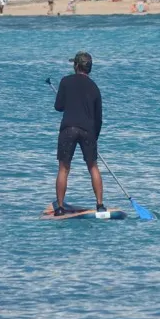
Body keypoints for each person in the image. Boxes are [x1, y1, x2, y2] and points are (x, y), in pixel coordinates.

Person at [53, 52, 104, 216]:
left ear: (76, 66)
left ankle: (60, 207)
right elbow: (99, 119)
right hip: (88, 130)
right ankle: (100, 205)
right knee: (93, 166)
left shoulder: (65, 82)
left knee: (64, 168)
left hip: (68, 128)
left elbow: (59, 106)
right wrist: (94, 138)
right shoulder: (94, 87)